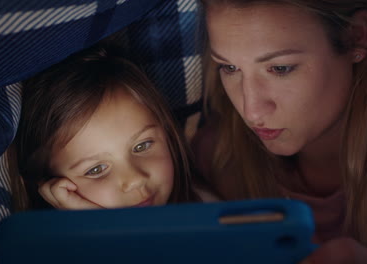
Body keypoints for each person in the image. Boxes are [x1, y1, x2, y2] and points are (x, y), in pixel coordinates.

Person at [193, 0, 367, 263]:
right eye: (230, 68)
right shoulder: (218, 156)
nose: (251, 111)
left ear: (357, 35)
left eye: (280, 68)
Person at [12, 42, 216, 211]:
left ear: (167, 132)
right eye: (96, 169)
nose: (135, 179)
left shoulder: (207, 209)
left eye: (142, 146)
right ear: (50, 185)